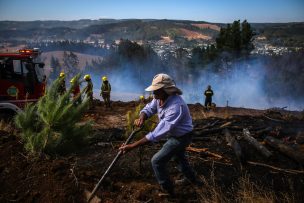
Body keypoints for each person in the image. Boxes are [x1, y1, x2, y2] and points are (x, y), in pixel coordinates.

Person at [119, 73, 200, 196]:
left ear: (166, 90)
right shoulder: (159, 98)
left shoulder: (176, 106)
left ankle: (168, 190)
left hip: (182, 137)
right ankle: (192, 179)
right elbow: (148, 109)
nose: (153, 94)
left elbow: (156, 134)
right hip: (175, 134)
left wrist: (131, 146)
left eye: (156, 91)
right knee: (178, 157)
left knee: (156, 161)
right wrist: (142, 117)